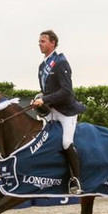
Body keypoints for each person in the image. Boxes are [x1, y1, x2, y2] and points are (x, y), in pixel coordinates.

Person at [30, 30, 87, 194]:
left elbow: (66, 91)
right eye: (39, 41)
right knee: (42, 140)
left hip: (66, 112)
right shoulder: (42, 66)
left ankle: (76, 180)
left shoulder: (61, 61)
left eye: (42, 41)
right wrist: (40, 98)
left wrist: (45, 99)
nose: (39, 44)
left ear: (52, 43)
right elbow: (45, 91)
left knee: (65, 143)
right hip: (51, 111)